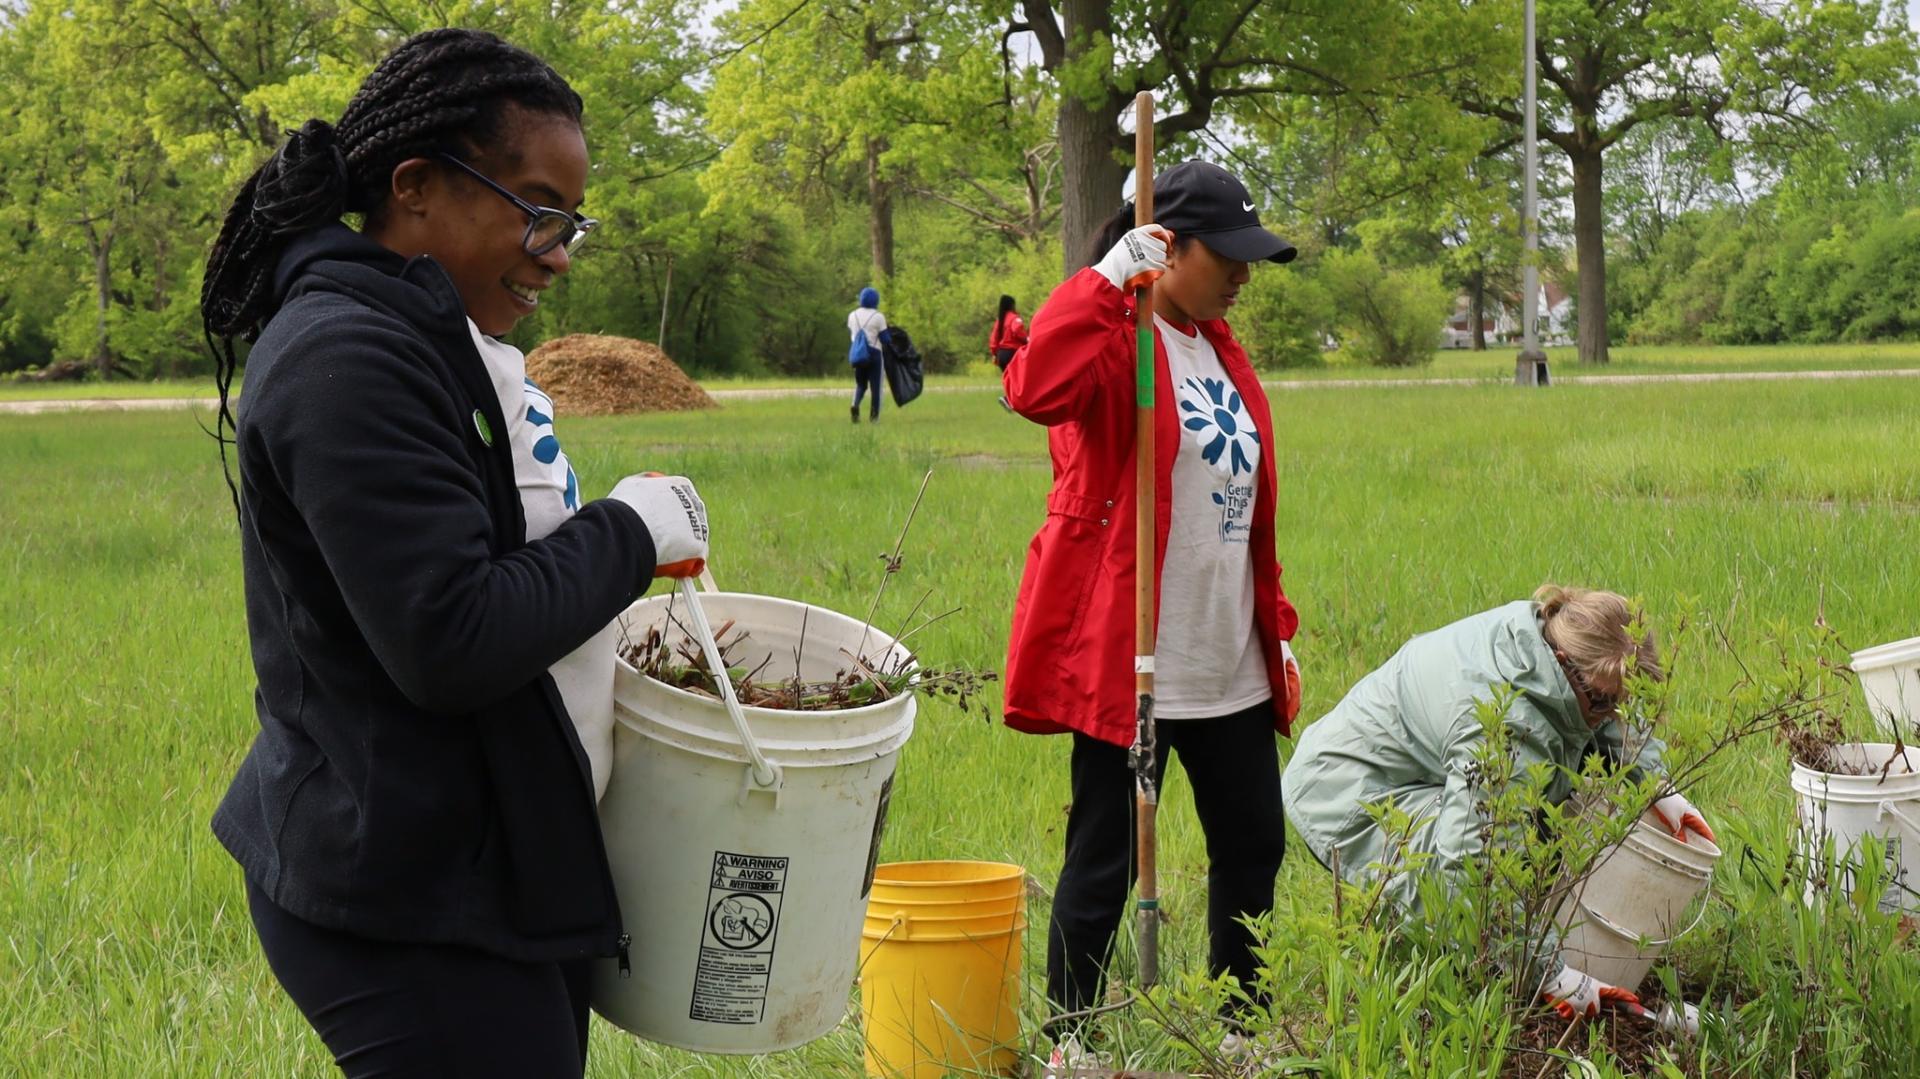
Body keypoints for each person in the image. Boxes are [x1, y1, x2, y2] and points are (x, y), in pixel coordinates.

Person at [200, 29, 710, 1078]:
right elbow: (451, 635)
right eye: (533, 207)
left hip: (485, 860)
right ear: (417, 184)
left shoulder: (424, 334)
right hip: (405, 894)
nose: (558, 248)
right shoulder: (345, 357)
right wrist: (627, 529)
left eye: (571, 219)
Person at [1000, 160, 1303, 1069]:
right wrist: (1099, 283)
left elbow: (1246, 506)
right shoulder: (1115, 340)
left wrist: (1273, 626)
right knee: (1104, 860)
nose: (1244, 273)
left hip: (1230, 656)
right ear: (1167, 247)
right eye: (1230, 254)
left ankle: (1239, 1030)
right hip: (1135, 657)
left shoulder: (1220, 347)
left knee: (1253, 846)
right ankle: (1074, 1046)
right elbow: (1031, 387)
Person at [1282, 585, 1716, 1021]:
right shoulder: (1505, 724)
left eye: (1624, 702)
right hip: (1347, 789)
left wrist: (1656, 784)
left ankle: (1479, 969)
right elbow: (1475, 867)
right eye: (1603, 702)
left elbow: (1600, 715)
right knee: (1452, 883)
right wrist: (1548, 974)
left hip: (1405, 765)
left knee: (1525, 830)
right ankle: (1432, 1003)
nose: (1611, 714)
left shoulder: (1543, 638)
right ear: (1564, 664)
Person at [847, 285, 887, 423]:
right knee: (876, 388)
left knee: (860, 384)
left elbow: (853, 333)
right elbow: (885, 338)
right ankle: (874, 418)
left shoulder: (852, 315)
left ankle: (855, 404)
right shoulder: (878, 316)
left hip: (858, 354)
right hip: (874, 354)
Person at [989, 294, 1027, 412]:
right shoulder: (1015, 318)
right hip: (1013, 353)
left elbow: (993, 340)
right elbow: (1017, 331)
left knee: (1010, 379)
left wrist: (995, 354)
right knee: (1020, 378)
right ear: (1012, 305)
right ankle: (1010, 400)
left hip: (1001, 354)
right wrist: (1027, 340)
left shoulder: (999, 321)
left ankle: (1011, 401)